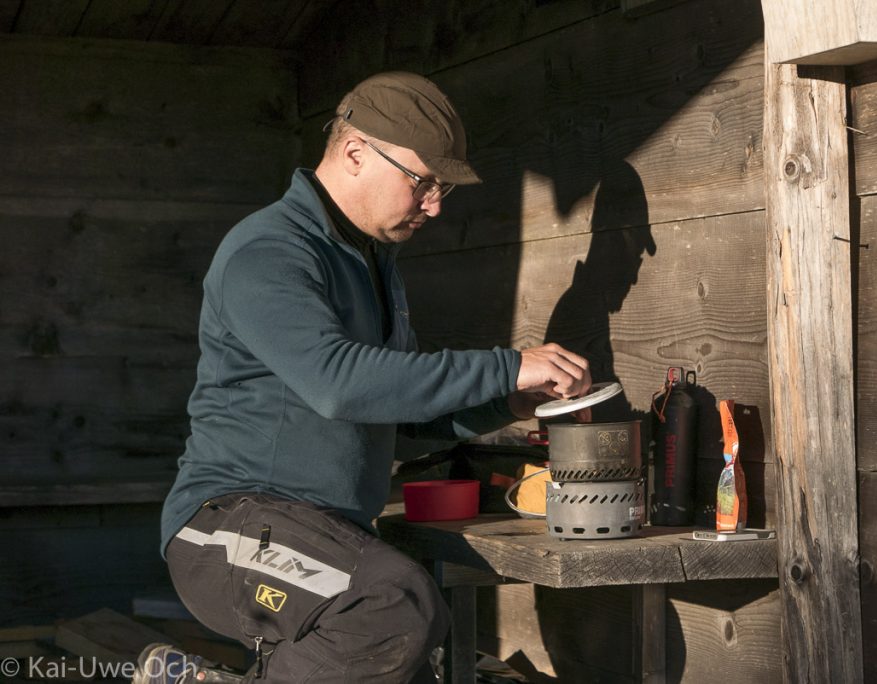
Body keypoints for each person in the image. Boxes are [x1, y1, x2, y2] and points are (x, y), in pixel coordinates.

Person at [134, 71, 591, 684]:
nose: (433, 204)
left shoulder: (373, 264)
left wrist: (506, 400)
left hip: (321, 534)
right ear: (355, 153)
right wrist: (506, 362)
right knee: (392, 606)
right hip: (226, 530)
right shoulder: (270, 251)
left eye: (442, 190)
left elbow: (396, 420)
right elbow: (339, 384)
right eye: (422, 182)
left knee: (400, 637)